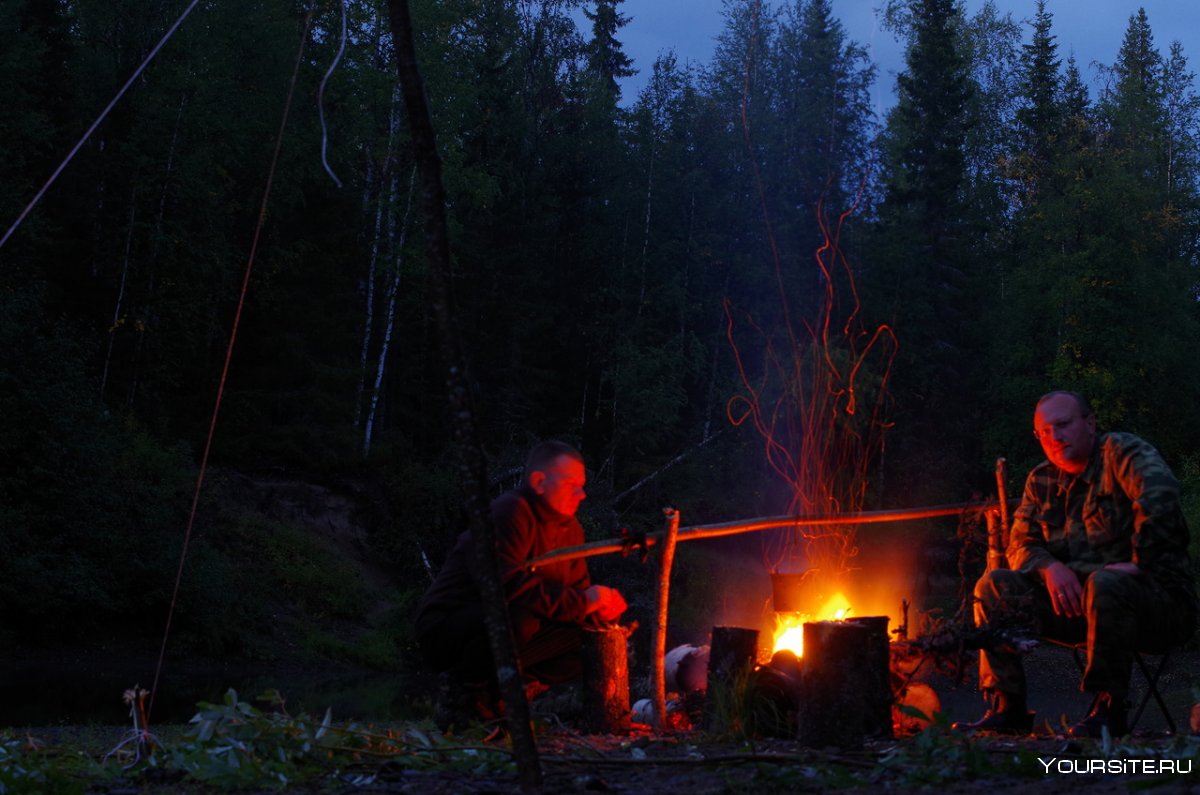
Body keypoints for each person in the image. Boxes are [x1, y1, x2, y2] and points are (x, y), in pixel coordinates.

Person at [956, 391, 1196, 737]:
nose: (1055, 437)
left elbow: (1161, 494)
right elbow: (1020, 545)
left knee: (1105, 582)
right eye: (1044, 432)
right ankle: (1006, 708)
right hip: (1079, 608)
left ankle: (1109, 709)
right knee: (994, 586)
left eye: (1063, 425)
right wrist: (1050, 568)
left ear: (1090, 423)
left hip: (1158, 606)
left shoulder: (1121, 453)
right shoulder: (1041, 481)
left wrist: (1141, 562)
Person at [414, 440, 627, 721]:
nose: (582, 494)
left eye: (582, 484)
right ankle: (466, 693)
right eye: (571, 484)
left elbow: (574, 595)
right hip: (449, 628)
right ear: (539, 482)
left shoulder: (571, 530)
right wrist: (584, 601)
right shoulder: (509, 513)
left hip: (511, 631)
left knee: (593, 633)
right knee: (521, 615)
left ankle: (510, 692)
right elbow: (508, 586)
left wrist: (598, 607)